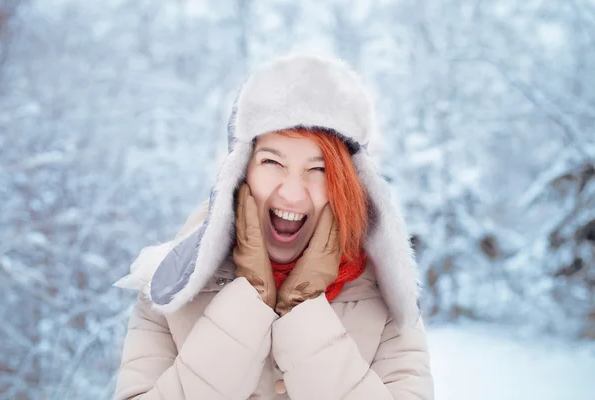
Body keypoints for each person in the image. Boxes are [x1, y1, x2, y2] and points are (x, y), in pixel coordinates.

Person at [113, 54, 434, 399]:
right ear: (240, 171)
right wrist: (247, 304)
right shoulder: (171, 286)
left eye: (320, 169)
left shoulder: (385, 300)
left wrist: (304, 311)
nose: (292, 193)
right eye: (272, 162)